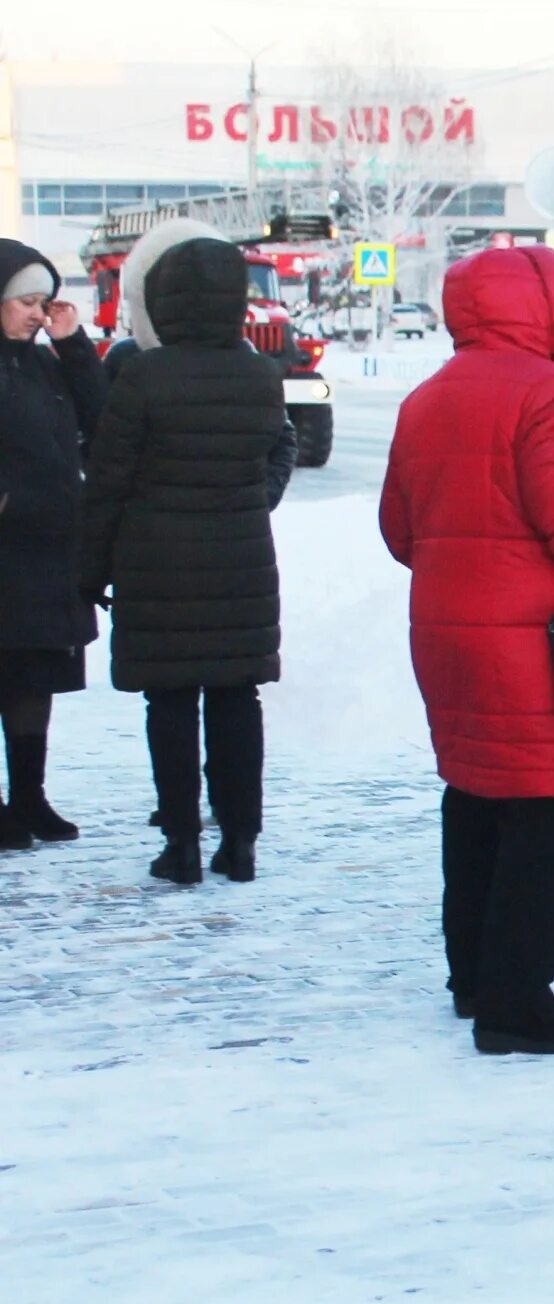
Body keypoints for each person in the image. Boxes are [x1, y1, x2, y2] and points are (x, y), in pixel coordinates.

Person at [380, 246, 554, 1057]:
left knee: (475, 799)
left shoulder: (426, 398)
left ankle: (474, 979)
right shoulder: (545, 390)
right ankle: (516, 1004)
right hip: (537, 638)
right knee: (546, 810)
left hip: (448, 634)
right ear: (545, 307)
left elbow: (399, 530)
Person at [80, 237, 293, 886]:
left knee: (169, 702)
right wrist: (253, 501)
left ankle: (182, 847)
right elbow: (277, 454)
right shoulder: (260, 374)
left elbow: (109, 480)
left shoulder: (144, 375)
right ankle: (241, 844)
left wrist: (90, 570)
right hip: (240, 563)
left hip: (157, 564)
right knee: (237, 700)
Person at [0, 239, 106, 851]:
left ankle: (29, 797)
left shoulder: (44, 362)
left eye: (45, 302)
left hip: (48, 551)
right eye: (26, 303)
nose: (38, 314)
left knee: (32, 677)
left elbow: (102, 419)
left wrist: (72, 345)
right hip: (4, 550)